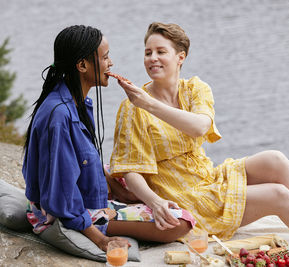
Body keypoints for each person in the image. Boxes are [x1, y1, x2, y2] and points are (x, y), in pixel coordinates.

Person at [108, 22, 289, 241]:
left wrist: (150, 104)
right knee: (277, 195)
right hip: (183, 195)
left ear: (180, 57)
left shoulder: (194, 89)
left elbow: (200, 127)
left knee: (274, 160)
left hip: (207, 177)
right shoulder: (132, 107)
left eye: (160, 51)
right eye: (148, 53)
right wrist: (156, 202)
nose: (152, 58)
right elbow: (131, 172)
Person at [22, 25, 193, 252]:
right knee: (180, 222)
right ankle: (106, 222)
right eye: (104, 57)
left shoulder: (77, 101)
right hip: (62, 211)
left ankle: (119, 199)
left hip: (74, 190)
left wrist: (120, 191)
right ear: (82, 65)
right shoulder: (60, 117)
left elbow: (85, 157)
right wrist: (101, 240)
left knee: (137, 179)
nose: (110, 63)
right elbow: (62, 195)